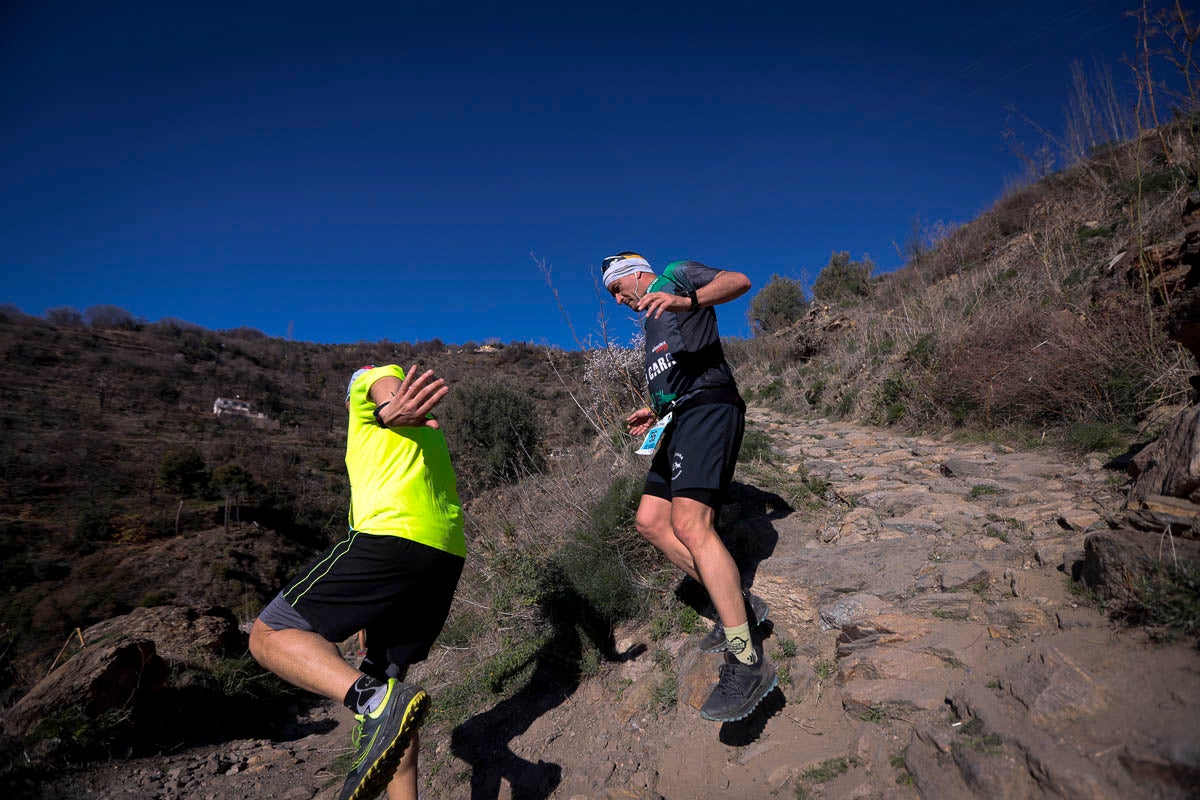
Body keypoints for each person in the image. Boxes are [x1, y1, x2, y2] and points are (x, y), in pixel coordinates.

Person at [249, 364, 465, 800]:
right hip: (443, 554)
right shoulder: (403, 447)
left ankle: (372, 703)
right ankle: (384, 717)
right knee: (391, 696)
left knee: (269, 633)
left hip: (391, 538)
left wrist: (388, 405)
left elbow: (382, 385)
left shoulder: (370, 388)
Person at [602, 251, 776, 723]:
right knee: (651, 521)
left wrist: (687, 300)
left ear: (635, 274)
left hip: (709, 407)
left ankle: (746, 658)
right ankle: (738, 602)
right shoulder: (650, 327)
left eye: (618, 290)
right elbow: (673, 379)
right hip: (677, 418)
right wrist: (654, 411)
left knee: (690, 523)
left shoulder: (676, 276)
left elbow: (740, 278)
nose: (618, 301)